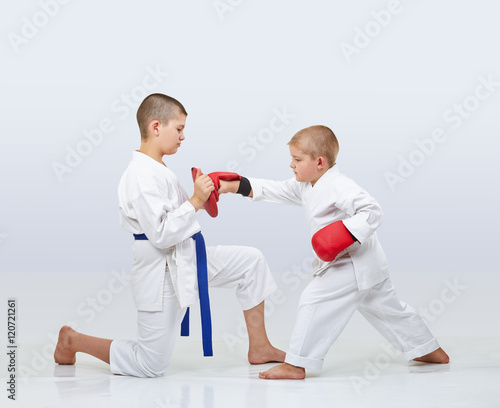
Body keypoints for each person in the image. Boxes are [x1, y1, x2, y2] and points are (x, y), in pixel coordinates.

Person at [53, 93, 284, 377]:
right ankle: (73, 340)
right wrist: (196, 201)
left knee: (251, 262)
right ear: (155, 127)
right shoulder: (140, 175)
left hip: (185, 256)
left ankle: (259, 347)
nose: (183, 136)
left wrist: (207, 194)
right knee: (150, 365)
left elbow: (178, 214)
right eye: (179, 128)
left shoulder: (158, 168)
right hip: (159, 270)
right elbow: (161, 233)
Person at [216, 125, 449, 379]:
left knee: (313, 300)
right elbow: (275, 189)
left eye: (297, 159)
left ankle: (296, 364)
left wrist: (342, 234)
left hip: (352, 263)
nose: (291, 165)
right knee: (390, 309)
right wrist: (233, 185)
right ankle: (429, 349)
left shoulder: (340, 186)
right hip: (369, 264)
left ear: (319, 162)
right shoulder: (306, 185)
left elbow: (372, 210)